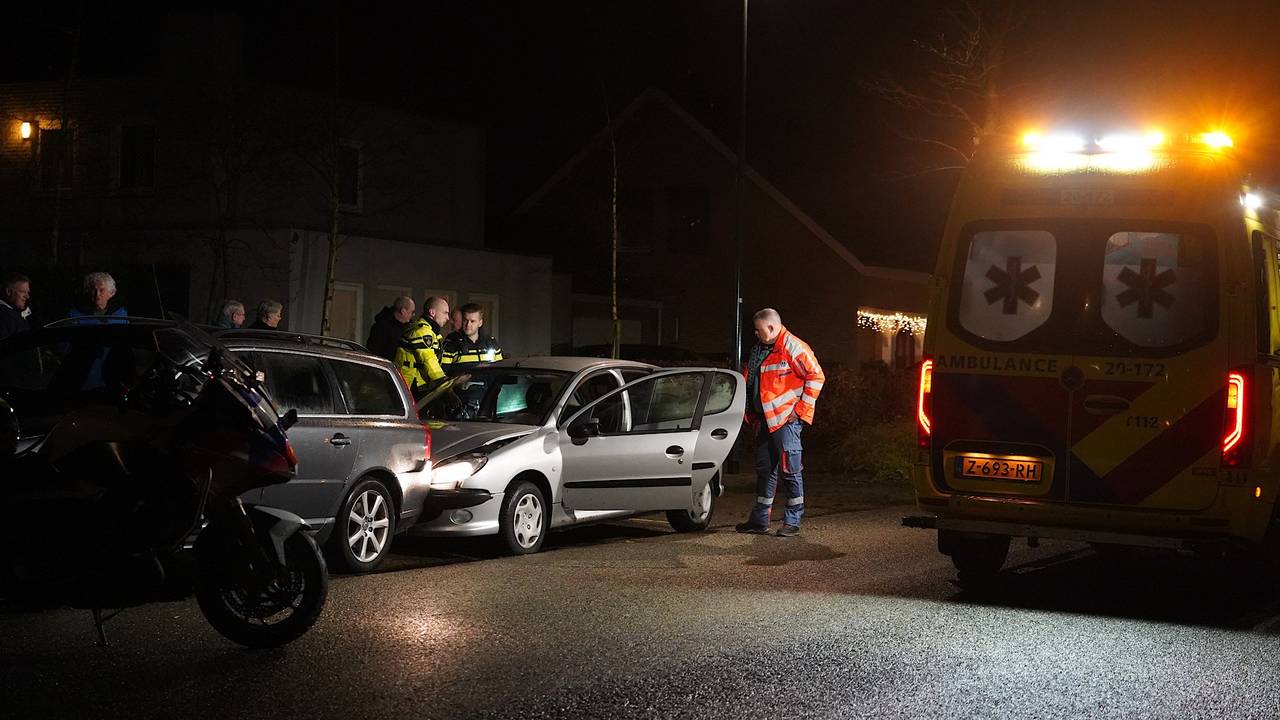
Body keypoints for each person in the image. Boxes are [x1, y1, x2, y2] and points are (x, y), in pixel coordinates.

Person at [735, 308, 825, 538]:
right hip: (766, 420)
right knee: (765, 469)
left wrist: (801, 411)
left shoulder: (793, 347)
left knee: (790, 469)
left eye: (759, 330)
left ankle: (793, 521)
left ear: (772, 327)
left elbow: (817, 376)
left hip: (785, 420)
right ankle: (759, 520)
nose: (756, 334)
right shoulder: (762, 349)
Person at [394, 295, 453, 403]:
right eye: (445, 313)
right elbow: (428, 359)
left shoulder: (429, 331)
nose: (448, 318)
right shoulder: (423, 332)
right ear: (432, 312)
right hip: (409, 384)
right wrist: (443, 381)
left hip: (416, 384)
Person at [441, 303, 503, 372]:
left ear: (480, 323)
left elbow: (500, 369)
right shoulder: (452, 343)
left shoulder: (491, 342)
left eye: (472, 321)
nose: (468, 325)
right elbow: (442, 374)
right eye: (465, 320)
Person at [366, 295, 415, 361]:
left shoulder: (410, 327)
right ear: (403, 311)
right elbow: (374, 352)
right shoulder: (381, 328)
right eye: (412, 312)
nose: (413, 315)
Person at [0, 272, 32, 340]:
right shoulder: (4, 316)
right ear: (8, 291)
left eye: (27, 292)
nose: (27, 296)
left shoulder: (16, 314)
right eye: (23, 292)